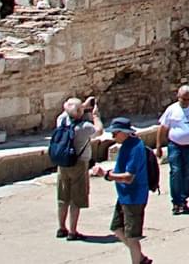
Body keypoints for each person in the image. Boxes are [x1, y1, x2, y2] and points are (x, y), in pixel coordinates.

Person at [93, 116, 156, 264]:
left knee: (132, 237)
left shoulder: (135, 148)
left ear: (124, 132)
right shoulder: (127, 145)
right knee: (117, 228)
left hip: (134, 198)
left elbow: (129, 177)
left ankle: (137, 261)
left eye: (115, 133)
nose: (113, 136)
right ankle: (141, 258)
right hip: (124, 196)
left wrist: (107, 175)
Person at [158, 84, 189, 214]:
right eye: (183, 99)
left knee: (188, 172)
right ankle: (176, 201)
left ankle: (183, 199)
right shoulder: (172, 110)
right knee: (176, 171)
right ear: (178, 97)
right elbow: (162, 128)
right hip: (175, 145)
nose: (186, 102)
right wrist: (159, 146)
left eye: (188, 99)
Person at [51, 96, 94, 240]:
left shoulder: (61, 121)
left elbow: (67, 112)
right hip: (79, 163)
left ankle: (61, 227)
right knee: (76, 198)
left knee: (63, 197)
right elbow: (99, 131)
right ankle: (72, 231)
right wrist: (95, 115)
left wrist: (81, 107)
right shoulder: (85, 127)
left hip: (63, 162)